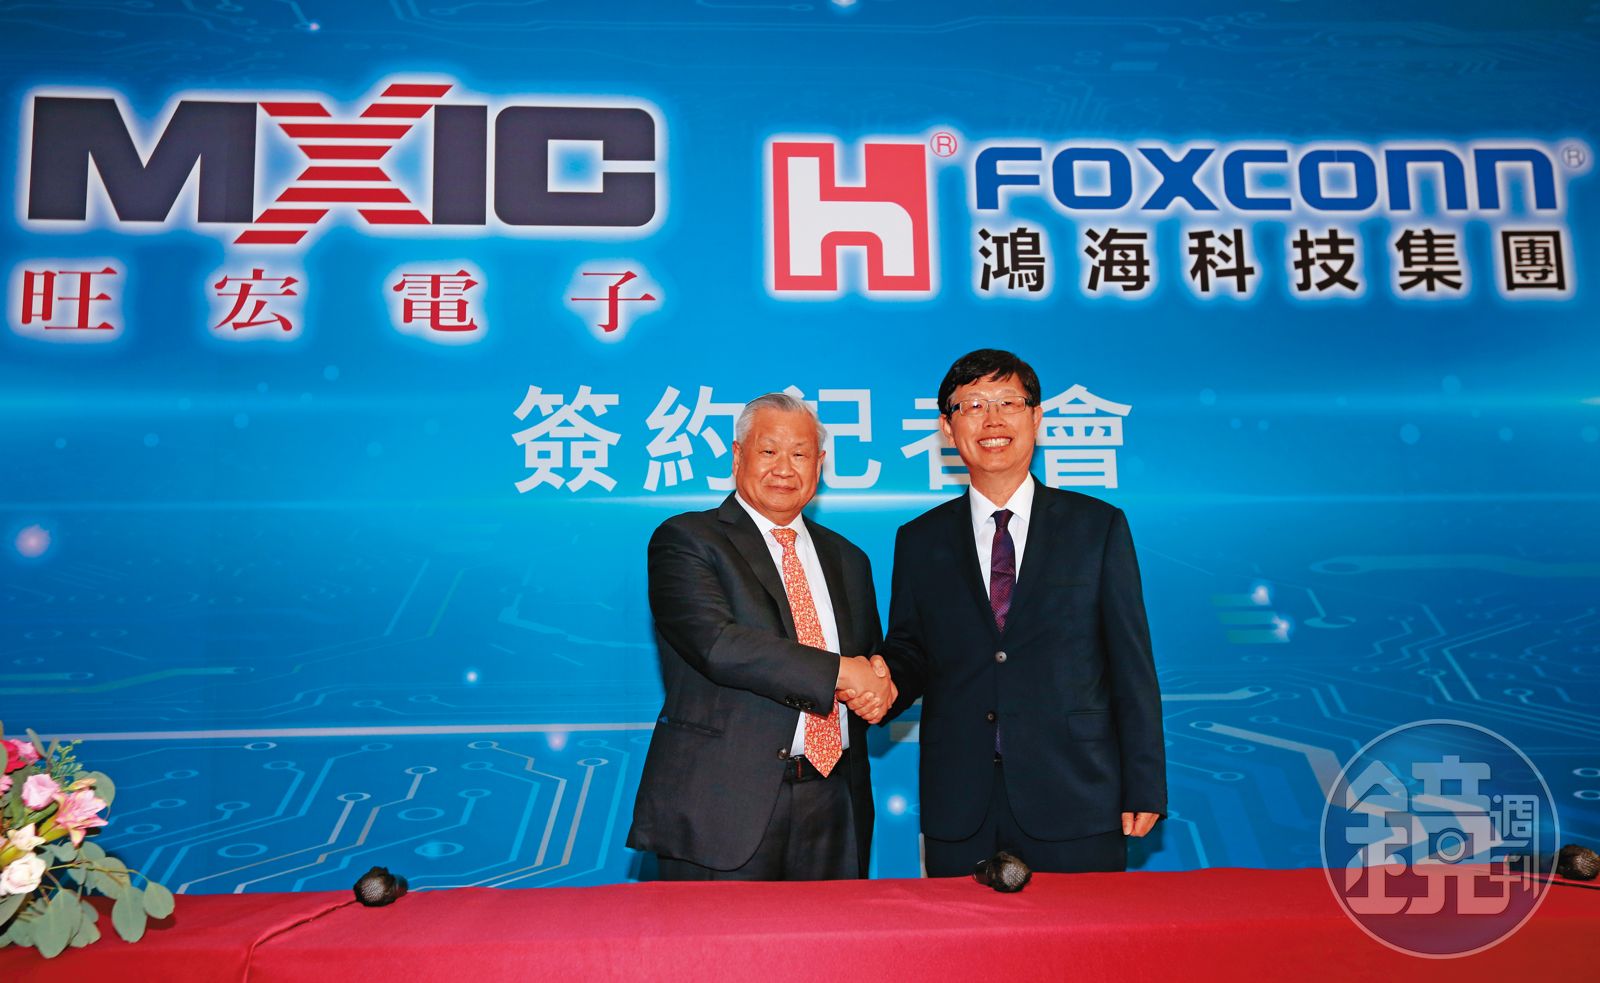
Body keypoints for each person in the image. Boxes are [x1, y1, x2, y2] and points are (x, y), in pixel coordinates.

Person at [872, 349, 1165, 876]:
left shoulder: (1097, 527)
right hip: (961, 802)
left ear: (1036, 417)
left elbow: (1131, 665)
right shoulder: (919, 540)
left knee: (1084, 931)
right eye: (972, 405)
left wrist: (1144, 782)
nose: (992, 419)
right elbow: (911, 652)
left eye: (1008, 402)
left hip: (1077, 794)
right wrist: (878, 682)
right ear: (947, 427)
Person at [627, 393, 895, 881]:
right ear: (737, 457)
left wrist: (880, 686)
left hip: (835, 803)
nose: (784, 468)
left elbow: (868, 660)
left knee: (832, 933)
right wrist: (841, 672)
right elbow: (718, 644)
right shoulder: (687, 539)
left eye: (800, 454)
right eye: (769, 451)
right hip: (724, 805)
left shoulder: (849, 558)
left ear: (820, 464)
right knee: (716, 935)